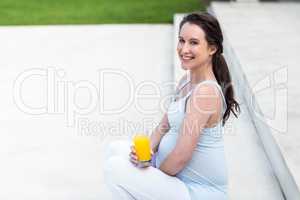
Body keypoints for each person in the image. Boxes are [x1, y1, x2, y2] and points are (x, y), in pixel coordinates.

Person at [102, 12, 240, 200]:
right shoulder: (186, 80)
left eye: (193, 42)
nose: (184, 49)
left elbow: (182, 156)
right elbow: (163, 126)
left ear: (212, 48)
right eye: (181, 40)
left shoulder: (205, 93)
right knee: (115, 149)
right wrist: (147, 153)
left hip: (196, 191)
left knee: (115, 168)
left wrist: (152, 170)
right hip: (177, 180)